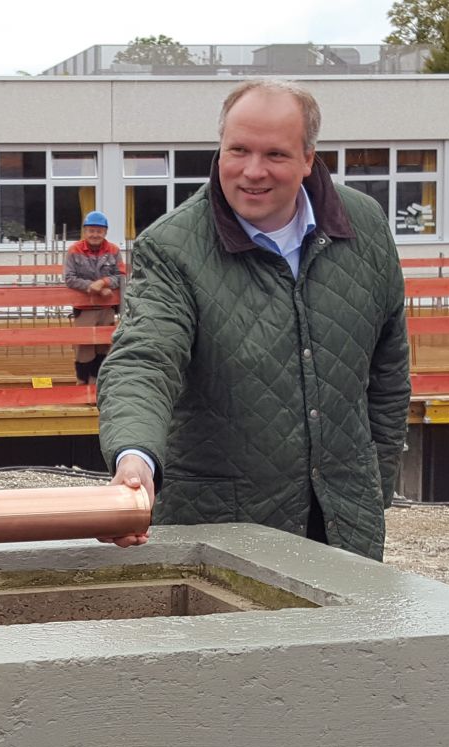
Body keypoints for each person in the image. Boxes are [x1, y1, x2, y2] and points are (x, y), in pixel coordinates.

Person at [96, 78, 410, 557]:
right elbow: (144, 357)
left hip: (346, 523)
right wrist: (135, 455)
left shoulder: (363, 226)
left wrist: (375, 478)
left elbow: (388, 369)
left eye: (276, 155)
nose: (252, 172)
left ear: (309, 159)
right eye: (238, 150)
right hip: (224, 529)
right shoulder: (172, 247)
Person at [64, 209, 123, 385]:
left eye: (99, 231)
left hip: (106, 308)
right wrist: (93, 288)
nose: (95, 234)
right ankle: (82, 383)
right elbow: (69, 278)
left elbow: (121, 276)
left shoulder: (114, 250)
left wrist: (104, 282)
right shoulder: (74, 250)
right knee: (84, 347)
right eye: (91, 230)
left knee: (103, 346)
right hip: (84, 309)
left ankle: (98, 384)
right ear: (85, 231)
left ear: (105, 232)